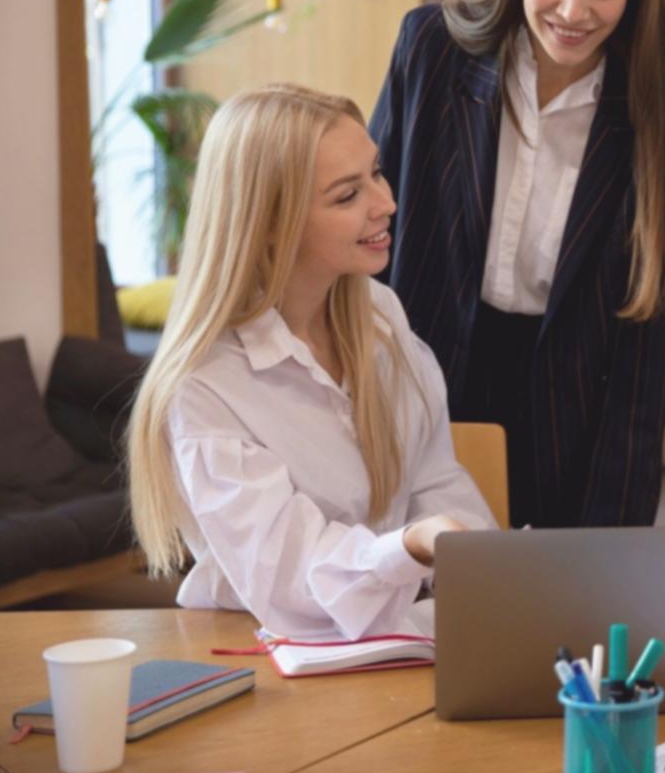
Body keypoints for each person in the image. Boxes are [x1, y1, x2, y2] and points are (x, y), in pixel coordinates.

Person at [371, 0, 665, 529]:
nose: (573, 10)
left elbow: (653, 344)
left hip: (579, 403)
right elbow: (371, 233)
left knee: (556, 613)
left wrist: (615, 535)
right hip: (424, 374)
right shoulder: (431, 50)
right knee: (416, 604)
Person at [126, 84, 494, 641]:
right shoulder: (206, 386)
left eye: (376, 172)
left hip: (389, 639)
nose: (386, 203)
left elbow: (434, 481)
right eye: (347, 196)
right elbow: (291, 579)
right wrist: (415, 546)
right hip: (262, 655)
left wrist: (492, 577)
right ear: (269, 223)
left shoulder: (378, 315)